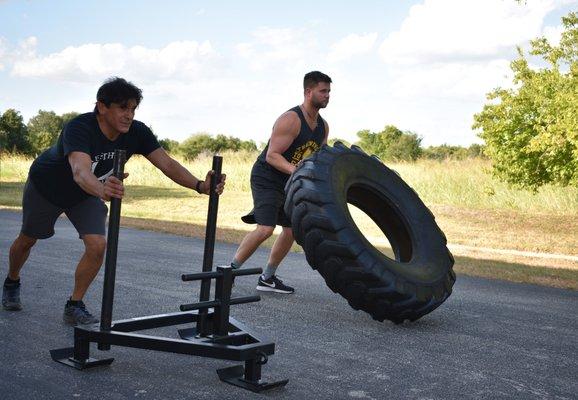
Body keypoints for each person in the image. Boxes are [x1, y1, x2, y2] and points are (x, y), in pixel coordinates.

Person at [2, 77, 226, 325]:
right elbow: (80, 171)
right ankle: (12, 280)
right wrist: (102, 190)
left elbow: (168, 164)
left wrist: (200, 186)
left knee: (97, 245)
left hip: (86, 194)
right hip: (47, 188)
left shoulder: (137, 132)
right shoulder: (79, 127)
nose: (128, 115)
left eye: (132, 109)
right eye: (122, 108)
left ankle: (74, 305)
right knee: (27, 241)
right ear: (102, 107)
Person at [230, 71, 331, 294]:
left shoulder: (323, 127)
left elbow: (318, 160)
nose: (327, 95)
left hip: (289, 181)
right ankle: (229, 272)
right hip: (267, 177)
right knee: (266, 228)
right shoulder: (291, 119)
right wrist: (296, 171)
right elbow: (272, 155)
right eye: (323, 91)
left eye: (329, 91)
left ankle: (267, 278)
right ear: (308, 91)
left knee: (292, 230)